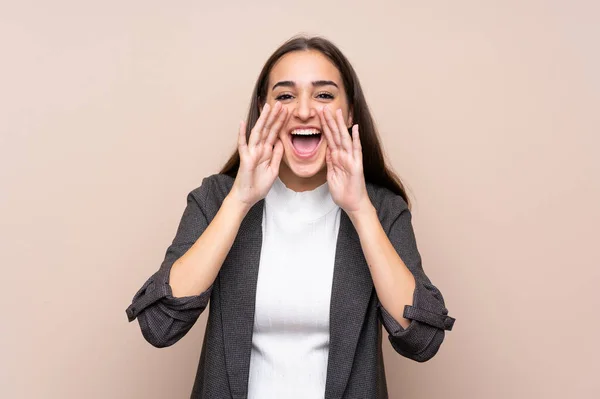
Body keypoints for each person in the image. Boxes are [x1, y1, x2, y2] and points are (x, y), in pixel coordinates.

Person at [125, 35, 455, 399]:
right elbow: (160, 326)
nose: (303, 111)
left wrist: (360, 210)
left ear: (349, 114)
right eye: (285, 95)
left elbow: (422, 340)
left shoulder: (383, 209)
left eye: (324, 95)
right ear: (263, 111)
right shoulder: (217, 198)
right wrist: (239, 200)